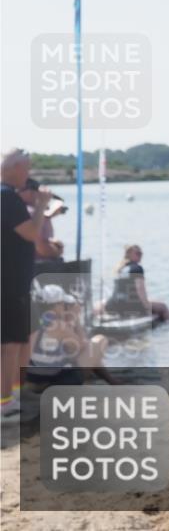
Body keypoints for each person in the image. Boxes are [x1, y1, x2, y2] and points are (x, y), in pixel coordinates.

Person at [2, 149, 51, 420]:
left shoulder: (8, 196)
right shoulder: (7, 196)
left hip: (15, 281)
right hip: (9, 283)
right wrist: (42, 204)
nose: (29, 175)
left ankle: (15, 395)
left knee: (21, 340)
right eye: (27, 169)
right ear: (16, 168)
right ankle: (5, 401)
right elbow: (31, 233)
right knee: (9, 344)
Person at [27, 284, 115, 388]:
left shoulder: (39, 320)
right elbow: (82, 347)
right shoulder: (58, 325)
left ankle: (112, 380)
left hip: (33, 375)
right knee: (100, 341)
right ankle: (111, 381)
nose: (66, 307)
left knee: (87, 352)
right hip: (52, 379)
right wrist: (75, 319)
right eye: (64, 304)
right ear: (57, 305)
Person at [98, 245, 169, 323]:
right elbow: (140, 289)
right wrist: (147, 308)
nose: (140, 256)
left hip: (113, 305)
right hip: (131, 306)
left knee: (99, 304)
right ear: (129, 254)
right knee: (163, 307)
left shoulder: (119, 269)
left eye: (141, 254)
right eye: (138, 253)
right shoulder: (137, 268)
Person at [20, 178, 66, 261]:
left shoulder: (17, 210)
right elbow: (43, 249)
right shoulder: (30, 213)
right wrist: (59, 248)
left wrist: (47, 215)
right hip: (37, 269)